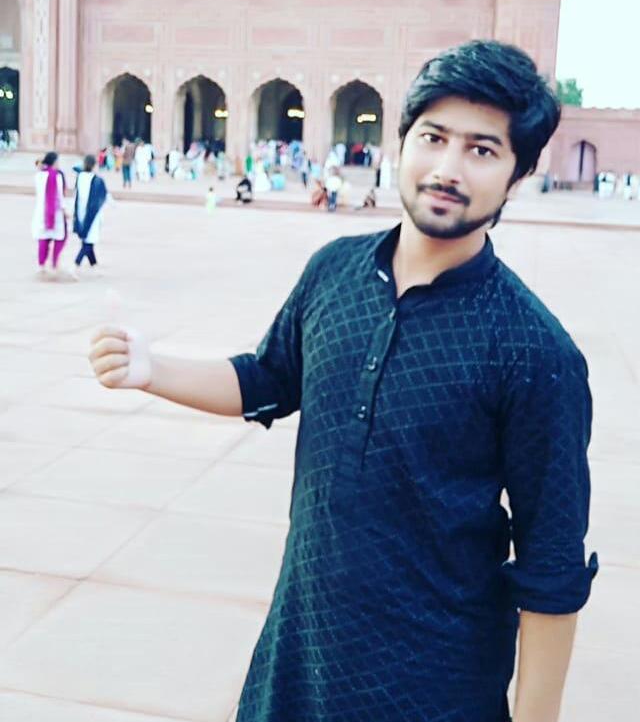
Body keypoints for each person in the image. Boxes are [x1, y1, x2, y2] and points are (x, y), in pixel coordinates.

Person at [89, 40, 598, 722]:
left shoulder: (535, 352)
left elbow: (552, 567)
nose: (447, 168)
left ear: (517, 174)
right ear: (402, 141)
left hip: (433, 691)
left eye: (482, 150)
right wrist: (152, 370)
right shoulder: (335, 272)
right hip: (299, 663)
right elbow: (270, 378)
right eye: (433, 137)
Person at [31, 151, 68, 278]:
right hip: (55, 213)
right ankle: (54, 263)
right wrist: (65, 210)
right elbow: (59, 197)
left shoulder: (38, 176)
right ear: (54, 162)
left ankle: (41, 265)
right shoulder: (57, 176)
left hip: (42, 212)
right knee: (60, 238)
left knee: (43, 239)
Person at [73, 154, 108, 272]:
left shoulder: (80, 177)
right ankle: (75, 265)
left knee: (87, 240)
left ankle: (94, 265)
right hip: (92, 215)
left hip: (80, 213)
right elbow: (104, 196)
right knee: (88, 242)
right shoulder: (97, 180)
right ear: (94, 165)